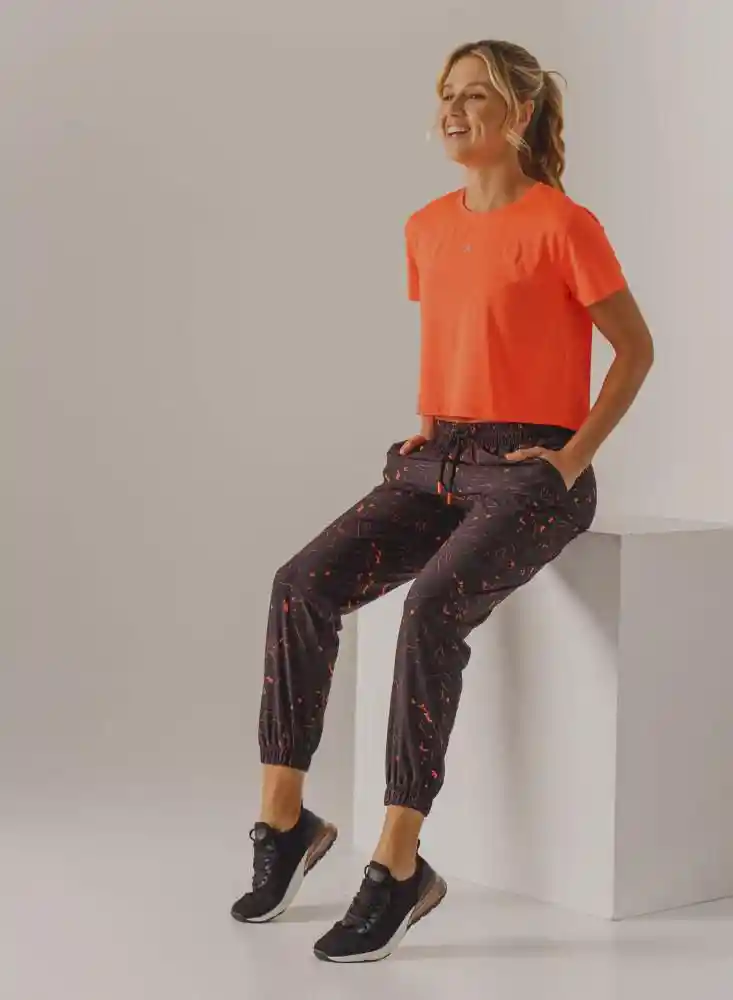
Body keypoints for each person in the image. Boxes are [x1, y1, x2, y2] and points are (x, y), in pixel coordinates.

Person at [231, 38, 654, 963]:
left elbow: (635, 349)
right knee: (300, 584)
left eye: (474, 96)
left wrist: (570, 460)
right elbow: (457, 343)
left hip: (531, 470)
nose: (452, 111)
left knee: (429, 609)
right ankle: (285, 825)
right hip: (436, 459)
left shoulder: (563, 224)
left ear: (519, 114)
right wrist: (427, 430)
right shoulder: (424, 226)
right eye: (446, 95)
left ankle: (398, 863)